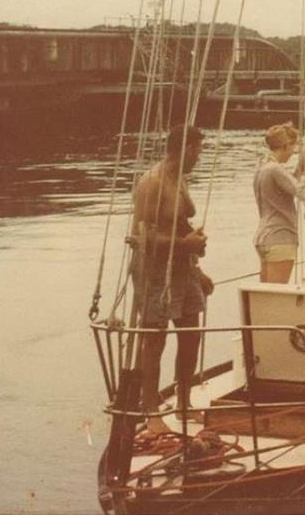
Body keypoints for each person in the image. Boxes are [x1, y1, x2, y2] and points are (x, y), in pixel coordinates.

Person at [132, 124, 214, 433]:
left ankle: (184, 401)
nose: (200, 158)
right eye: (199, 151)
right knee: (154, 340)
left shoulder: (178, 179)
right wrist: (184, 245)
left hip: (184, 269)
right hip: (155, 272)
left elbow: (179, 221)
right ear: (187, 150)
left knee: (191, 332)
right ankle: (151, 411)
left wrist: (197, 266)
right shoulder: (151, 183)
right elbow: (142, 237)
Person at [254, 122, 301, 283]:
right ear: (286, 145)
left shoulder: (262, 167)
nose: (293, 152)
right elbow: (303, 192)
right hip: (280, 238)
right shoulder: (276, 169)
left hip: (264, 237)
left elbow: (287, 188)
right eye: (294, 148)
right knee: (276, 296)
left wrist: (301, 168)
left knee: (266, 296)